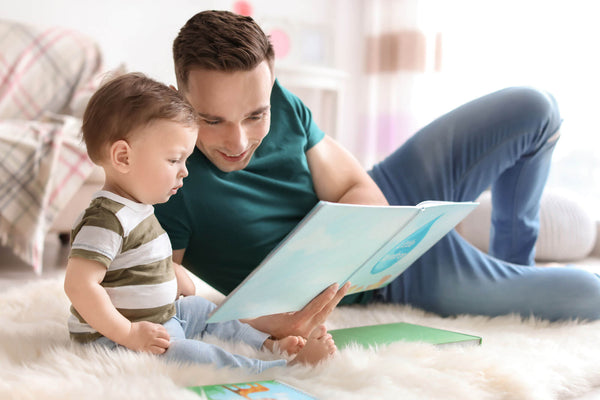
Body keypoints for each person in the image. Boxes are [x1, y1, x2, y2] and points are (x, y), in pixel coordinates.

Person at [155, 10, 600, 339]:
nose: (237, 141)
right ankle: (504, 276)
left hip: (395, 194)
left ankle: (512, 261)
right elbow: (171, 297)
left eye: (256, 115)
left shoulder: (283, 102)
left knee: (536, 108)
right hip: (394, 279)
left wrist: (347, 234)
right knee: (588, 292)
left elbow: (359, 187)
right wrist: (261, 317)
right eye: (212, 121)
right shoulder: (167, 178)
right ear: (179, 97)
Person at [63, 72, 336, 372]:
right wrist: (128, 334)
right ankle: (274, 369)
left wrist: (170, 274)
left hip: (161, 316)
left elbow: (137, 264)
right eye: (174, 160)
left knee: (207, 311)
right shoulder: (105, 219)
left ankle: (267, 344)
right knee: (193, 356)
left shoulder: (138, 207)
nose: (185, 172)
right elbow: (80, 285)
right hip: (116, 339)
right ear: (123, 158)